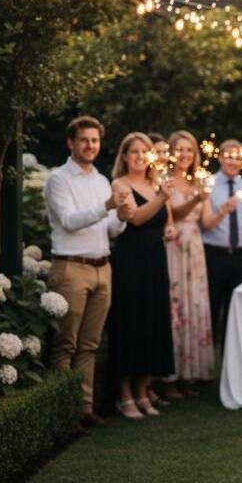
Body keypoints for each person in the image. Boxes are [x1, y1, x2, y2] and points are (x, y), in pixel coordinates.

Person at [44, 116, 133, 428]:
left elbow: (110, 229)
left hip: (101, 267)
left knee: (90, 345)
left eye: (94, 140)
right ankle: (60, 415)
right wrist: (108, 205)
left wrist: (121, 216)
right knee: (65, 345)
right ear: (71, 143)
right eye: (84, 140)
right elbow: (69, 220)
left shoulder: (100, 180)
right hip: (71, 267)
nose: (90, 146)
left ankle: (84, 410)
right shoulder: (58, 179)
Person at [107, 132, 176, 420]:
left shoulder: (155, 183)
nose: (139, 157)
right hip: (130, 261)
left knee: (151, 319)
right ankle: (124, 394)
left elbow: (166, 218)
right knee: (130, 321)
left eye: (144, 152)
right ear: (124, 156)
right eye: (133, 152)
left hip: (155, 259)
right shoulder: (119, 184)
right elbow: (135, 217)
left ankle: (143, 388)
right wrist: (161, 197)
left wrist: (170, 228)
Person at [162, 130, 215, 399]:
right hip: (173, 246)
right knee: (176, 307)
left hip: (194, 246)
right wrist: (196, 198)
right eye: (179, 149)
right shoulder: (164, 180)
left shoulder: (198, 181)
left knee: (194, 303)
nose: (184, 155)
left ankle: (189, 373)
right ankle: (169, 377)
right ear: (171, 152)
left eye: (189, 150)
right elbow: (176, 213)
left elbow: (206, 221)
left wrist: (225, 210)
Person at [200, 139, 242, 343]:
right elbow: (204, 224)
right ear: (219, 158)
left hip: (241, 257)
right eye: (228, 157)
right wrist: (223, 210)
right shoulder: (208, 184)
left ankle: (230, 359)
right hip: (213, 254)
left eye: (237, 157)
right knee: (211, 308)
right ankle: (207, 363)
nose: (233, 162)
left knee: (235, 312)